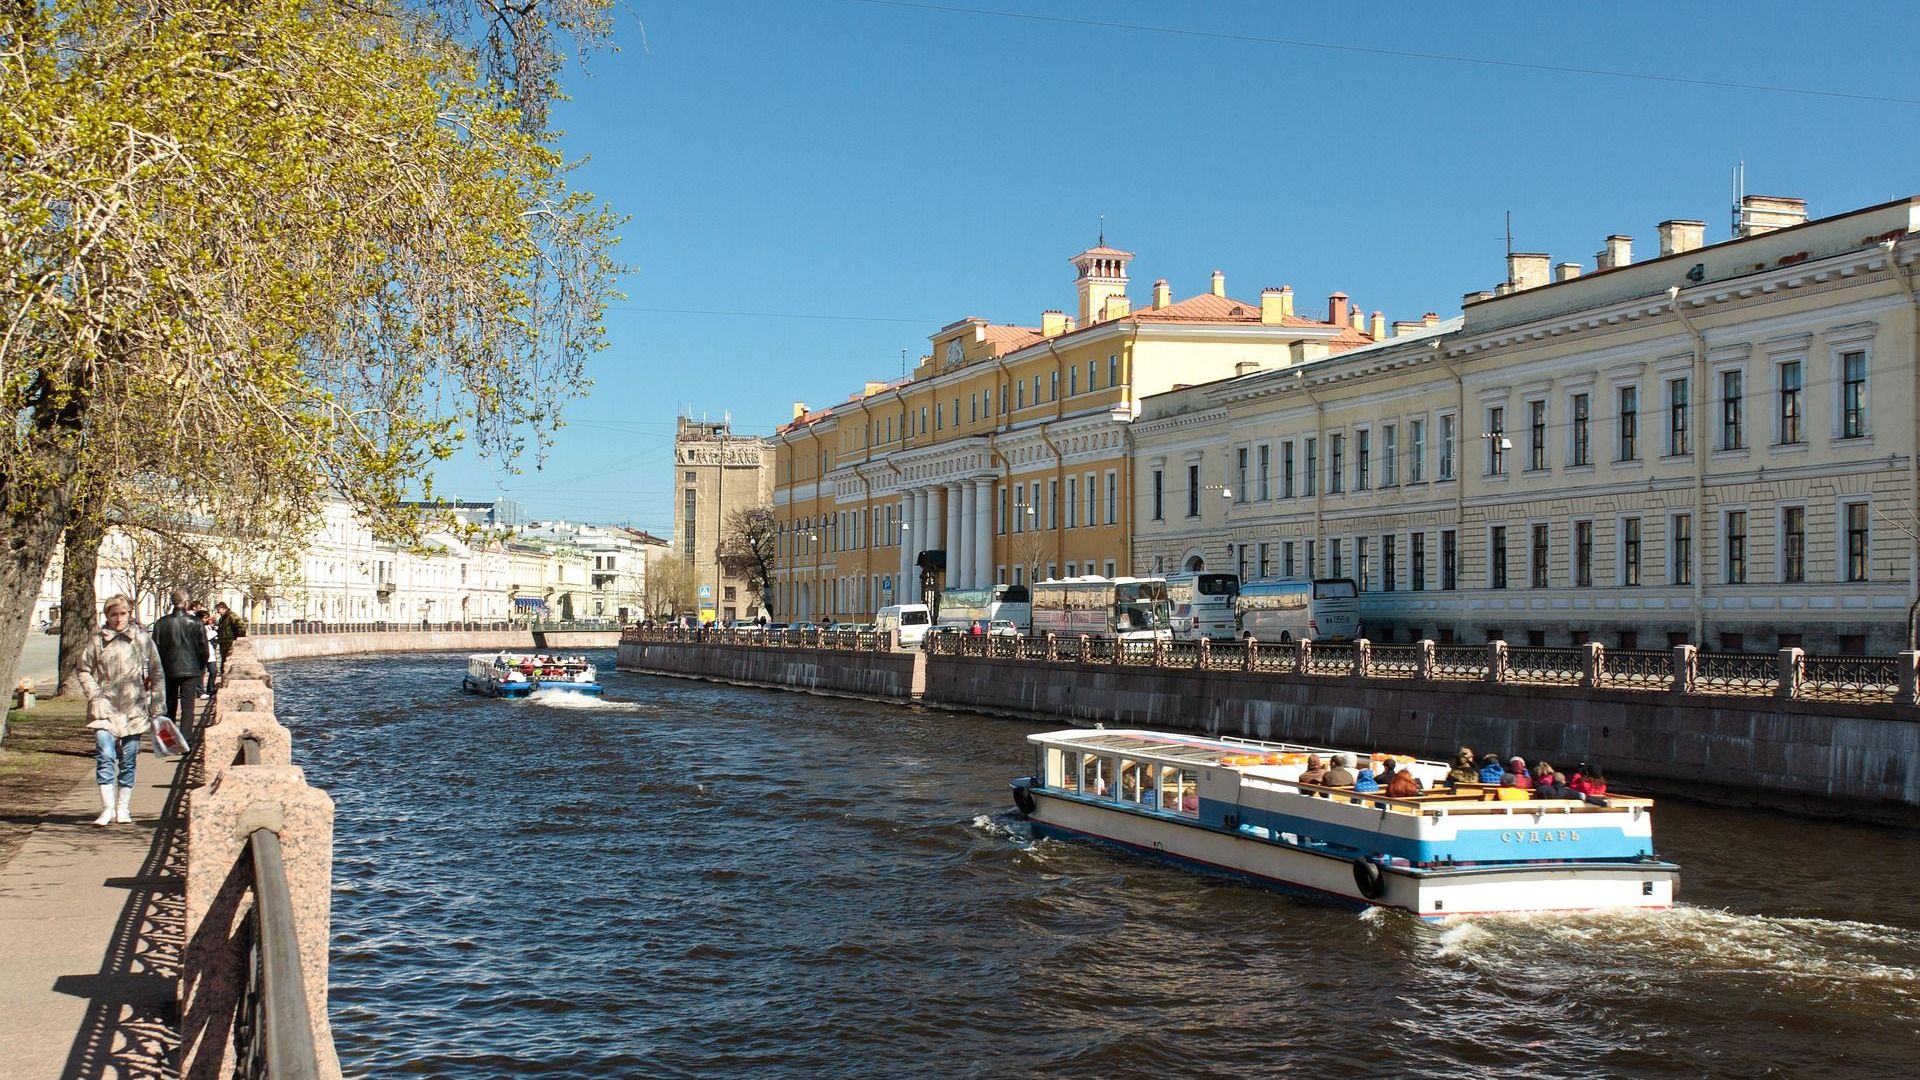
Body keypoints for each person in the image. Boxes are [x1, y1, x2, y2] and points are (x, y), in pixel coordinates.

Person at [76, 595, 163, 826]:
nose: (118, 619)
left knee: (129, 757)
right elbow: (83, 669)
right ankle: (107, 808)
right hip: (105, 707)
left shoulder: (142, 639)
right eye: (113, 614)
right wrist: (94, 693)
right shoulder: (97, 641)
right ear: (107, 616)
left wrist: (156, 702)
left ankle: (123, 807)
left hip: (134, 706)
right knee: (105, 754)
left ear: (129, 614)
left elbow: (156, 672)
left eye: (122, 613)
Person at [152, 588, 209, 735]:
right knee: (188, 707)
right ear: (186, 603)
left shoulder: (161, 623)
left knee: (170, 704)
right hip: (191, 669)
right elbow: (203, 648)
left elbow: (155, 648)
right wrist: (201, 665)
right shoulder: (196, 622)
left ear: (172, 603)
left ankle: (171, 740)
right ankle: (186, 739)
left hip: (168, 669)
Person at [197, 607, 219, 700]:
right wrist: (214, 633)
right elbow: (205, 638)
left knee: (213, 671)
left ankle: (211, 690)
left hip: (210, 652)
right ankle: (200, 691)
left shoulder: (208, 626)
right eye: (205, 618)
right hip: (202, 652)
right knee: (201, 672)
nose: (207, 620)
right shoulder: (198, 627)